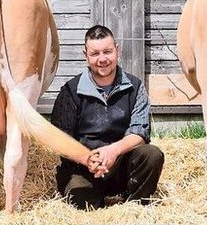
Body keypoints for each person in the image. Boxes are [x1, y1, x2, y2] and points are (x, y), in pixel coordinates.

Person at [49, 25, 164, 210]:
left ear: (117, 50)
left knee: (152, 154)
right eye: (95, 53)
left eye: (107, 52)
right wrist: (88, 159)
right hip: (83, 169)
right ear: (85, 54)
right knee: (84, 204)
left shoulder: (135, 87)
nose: (102, 59)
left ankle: (135, 204)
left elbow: (140, 132)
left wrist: (113, 151)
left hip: (122, 167)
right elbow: (59, 139)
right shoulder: (70, 91)